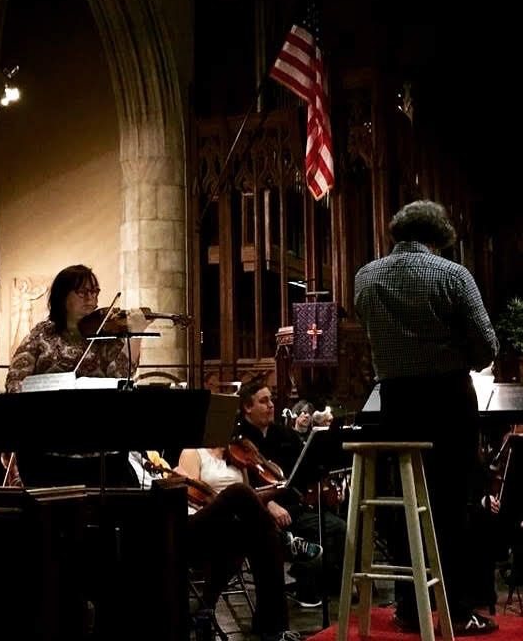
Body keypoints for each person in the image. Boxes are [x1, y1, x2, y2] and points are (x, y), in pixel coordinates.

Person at [354, 199, 500, 636]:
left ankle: (408, 606)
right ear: (439, 238)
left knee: (403, 505)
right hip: (447, 401)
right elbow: (487, 347)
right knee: (454, 504)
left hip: (393, 401)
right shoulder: (453, 275)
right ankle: (457, 610)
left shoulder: (366, 276)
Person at [4, 264, 150, 487]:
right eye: (83, 292)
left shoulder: (104, 337)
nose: (91, 298)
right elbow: (15, 381)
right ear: (63, 297)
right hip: (47, 448)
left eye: (95, 292)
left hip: (98, 450)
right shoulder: (41, 334)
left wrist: (136, 335)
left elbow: (121, 375)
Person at [176, 445, 319, 641]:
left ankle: (273, 630)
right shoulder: (193, 452)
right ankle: (286, 541)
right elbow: (192, 495)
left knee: (263, 537)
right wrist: (226, 503)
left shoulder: (238, 457)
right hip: (199, 523)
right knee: (239, 493)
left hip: (231, 525)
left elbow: (251, 499)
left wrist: (268, 499)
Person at [236, 380, 347, 607]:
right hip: (262, 510)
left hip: (293, 505)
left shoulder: (283, 434)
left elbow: (305, 466)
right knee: (294, 536)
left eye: (271, 401)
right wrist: (267, 504)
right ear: (247, 407)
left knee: (338, 528)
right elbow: (238, 483)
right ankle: (305, 581)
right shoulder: (237, 438)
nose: (271, 406)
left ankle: (311, 580)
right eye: (263, 401)